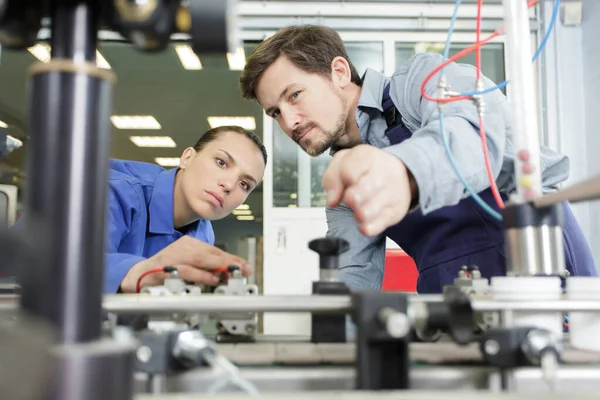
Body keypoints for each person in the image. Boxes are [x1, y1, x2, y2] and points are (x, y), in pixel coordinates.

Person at [239, 25, 597, 294]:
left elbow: (470, 137)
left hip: (536, 261)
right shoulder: (346, 183)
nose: (289, 121)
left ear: (339, 72)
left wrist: (402, 171)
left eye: (295, 95)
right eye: (275, 113)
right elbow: (354, 272)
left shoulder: (421, 82)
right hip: (446, 288)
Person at [106, 125, 267, 293]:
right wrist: (137, 274)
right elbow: (79, 265)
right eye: (221, 162)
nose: (229, 185)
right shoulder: (115, 193)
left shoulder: (203, 235)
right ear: (187, 158)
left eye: (244, 184)